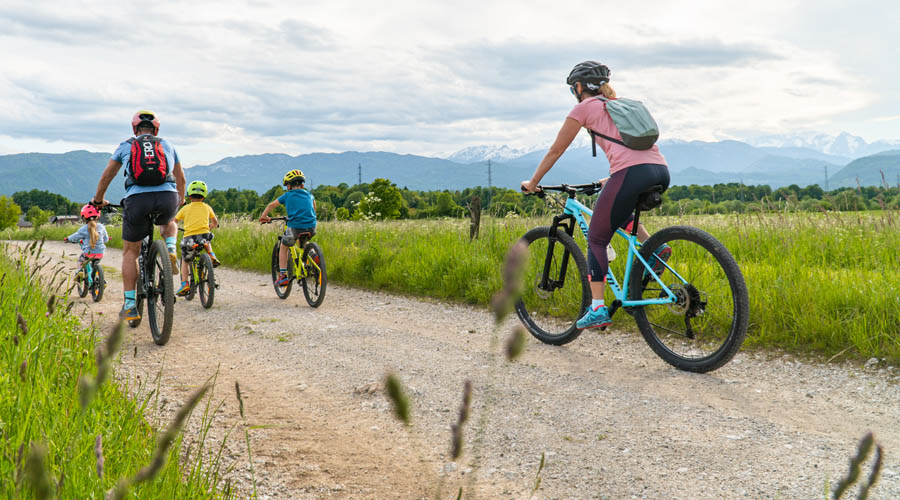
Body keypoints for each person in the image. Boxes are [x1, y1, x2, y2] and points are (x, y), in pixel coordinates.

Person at [521, 61, 671, 330]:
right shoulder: (623, 104)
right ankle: (655, 248)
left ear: (579, 87)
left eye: (573, 88)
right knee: (618, 211)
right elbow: (635, 150)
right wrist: (613, 178)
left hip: (630, 173)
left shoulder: (584, 108)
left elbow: (556, 150)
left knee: (597, 238)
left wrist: (533, 183)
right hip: (659, 170)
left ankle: (598, 308)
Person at [91, 110, 185, 321]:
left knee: (130, 252)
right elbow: (181, 178)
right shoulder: (167, 145)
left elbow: (108, 174)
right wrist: (180, 200)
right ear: (156, 129)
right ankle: (170, 248)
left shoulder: (126, 145)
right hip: (167, 196)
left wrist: (98, 200)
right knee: (169, 219)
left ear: (134, 129)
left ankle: (131, 305)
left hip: (137, 200)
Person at [258, 169, 317, 286]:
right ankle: (314, 255)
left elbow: (271, 205)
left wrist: (264, 217)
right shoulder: (309, 194)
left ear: (289, 186)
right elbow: (314, 206)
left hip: (295, 227)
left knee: (284, 246)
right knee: (303, 243)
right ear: (303, 185)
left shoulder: (287, 195)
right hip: (311, 226)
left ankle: (283, 276)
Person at [175, 180, 220, 296]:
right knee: (207, 238)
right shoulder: (207, 207)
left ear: (189, 196)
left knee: (185, 260)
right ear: (204, 196)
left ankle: (185, 284)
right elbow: (215, 222)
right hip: (204, 235)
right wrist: (211, 226)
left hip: (189, 238)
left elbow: (174, 221)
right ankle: (211, 255)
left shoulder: (185, 209)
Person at [63, 204, 110, 284]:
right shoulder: (102, 227)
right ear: (98, 216)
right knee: (95, 263)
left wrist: (68, 239)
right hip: (100, 253)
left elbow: (75, 236)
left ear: (84, 218)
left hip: (88, 253)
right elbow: (106, 239)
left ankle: (79, 272)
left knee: (81, 260)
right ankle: (101, 280)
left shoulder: (83, 229)